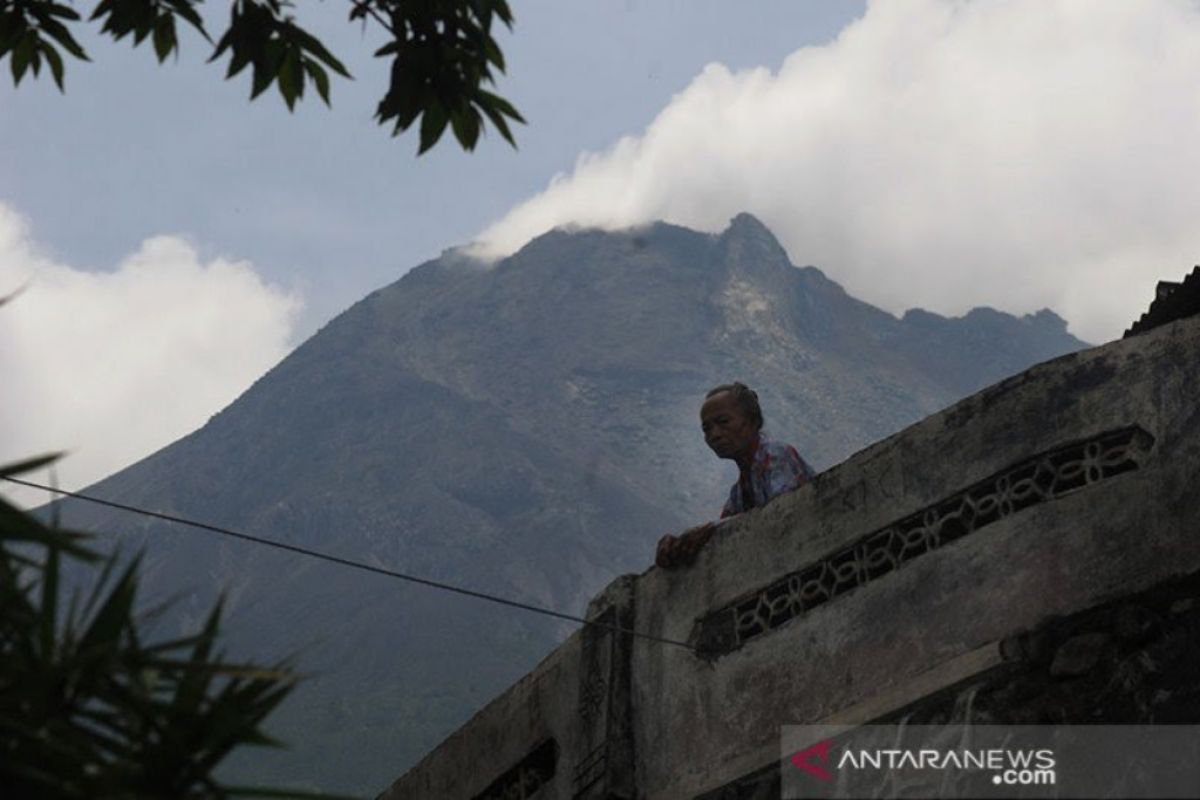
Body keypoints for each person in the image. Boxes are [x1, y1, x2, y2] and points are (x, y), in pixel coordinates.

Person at [655, 382, 814, 569]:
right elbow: (724, 528)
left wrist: (708, 530)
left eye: (723, 422)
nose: (714, 435)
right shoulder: (739, 492)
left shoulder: (777, 457)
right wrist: (679, 544)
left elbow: (782, 510)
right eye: (707, 429)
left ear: (753, 421)